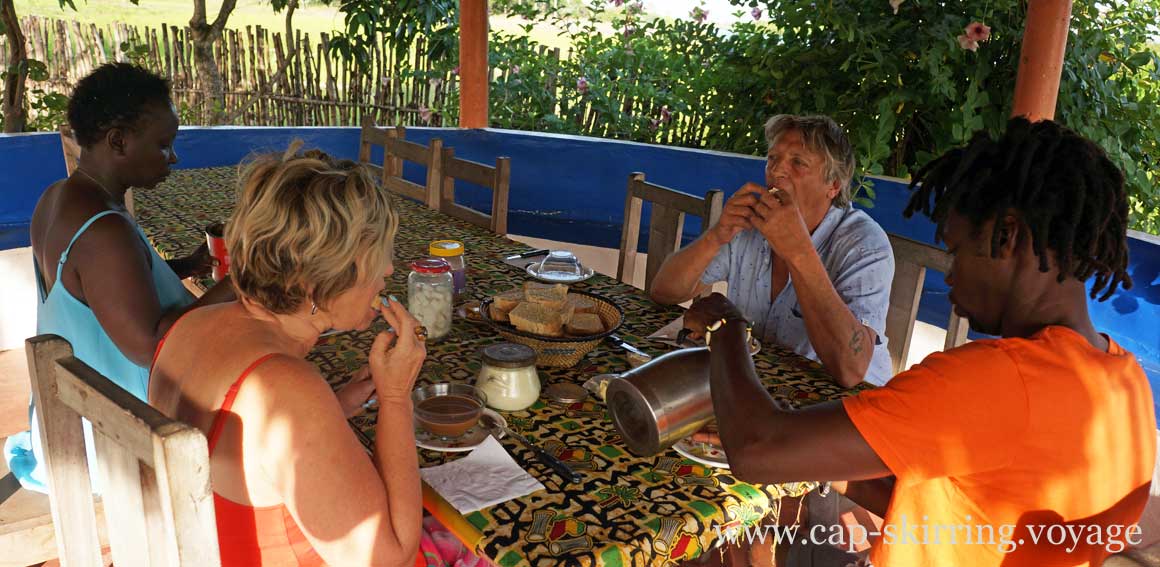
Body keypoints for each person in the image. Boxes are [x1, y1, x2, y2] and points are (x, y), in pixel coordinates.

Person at [684, 117, 1156, 566]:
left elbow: (754, 449)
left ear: (1007, 237)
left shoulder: (990, 380)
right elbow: (964, 506)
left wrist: (725, 326)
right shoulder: (1125, 380)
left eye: (957, 251)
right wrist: (817, 454)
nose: (951, 275)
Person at [149, 145, 428, 566]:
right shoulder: (284, 387)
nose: (388, 271)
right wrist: (395, 398)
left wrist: (330, 407)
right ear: (318, 283)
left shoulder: (192, 323)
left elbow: (246, 452)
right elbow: (391, 559)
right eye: (377, 257)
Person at [5, 62, 234, 492]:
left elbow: (95, 296)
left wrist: (183, 266)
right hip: (113, 438)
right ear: (118, 141)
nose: (174, 157)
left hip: (72, 415)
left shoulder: (58, 197)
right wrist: (240, 283)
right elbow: (153, 348)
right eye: (163, 145)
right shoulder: (104, 231)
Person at [650, 114, 893, 388]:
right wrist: (716, 236)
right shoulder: (752, 224)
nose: (777, 171)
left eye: (798, 162)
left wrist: (798, 251)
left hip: (843, 409)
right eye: (773, 158)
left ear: (833, 185)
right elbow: (664, 292)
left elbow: (850, 371)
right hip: (761, 389)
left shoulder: (864, 244)